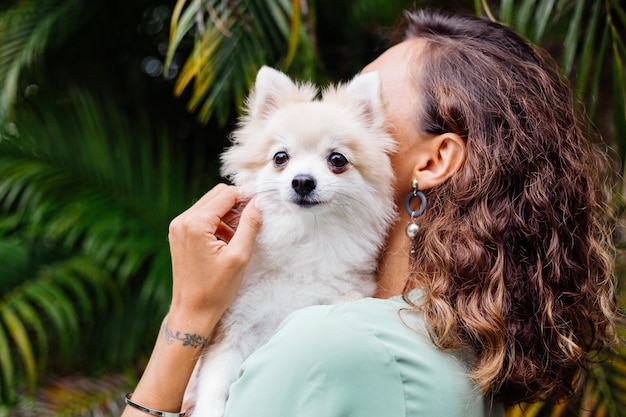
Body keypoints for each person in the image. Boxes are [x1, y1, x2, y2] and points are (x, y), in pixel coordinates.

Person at [122, 8, 618, 417]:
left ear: (435, 160)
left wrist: (188, 314)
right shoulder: (456, 342)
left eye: (370, 97)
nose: (342, 105)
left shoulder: (330, 343)